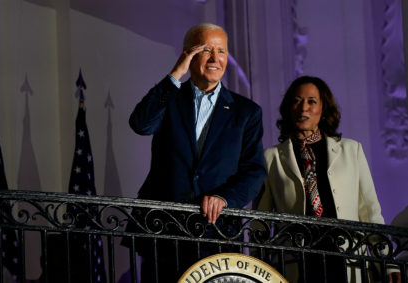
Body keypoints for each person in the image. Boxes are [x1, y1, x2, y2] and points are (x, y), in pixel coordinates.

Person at [126, 23, 266, 282]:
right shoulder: (169, 98)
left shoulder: (247, 112)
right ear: (188, 54)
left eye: (221, 51)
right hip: (164, 231)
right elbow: (140, 124)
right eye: (206, 50)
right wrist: (175, 75)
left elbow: (254, 171)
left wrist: (224, 197)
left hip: (217, 235)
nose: (215, 59)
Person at [255, 75, 400, 282]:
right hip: (298, 264)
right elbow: (260, 223)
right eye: (297, 101)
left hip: (346, 260)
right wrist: (257, 271)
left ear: (323, 109)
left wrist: (388, 264)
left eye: (312, 101)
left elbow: (370, 213)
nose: (303, 107)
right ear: (289, 108)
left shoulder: (351, 150)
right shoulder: (271, 157)